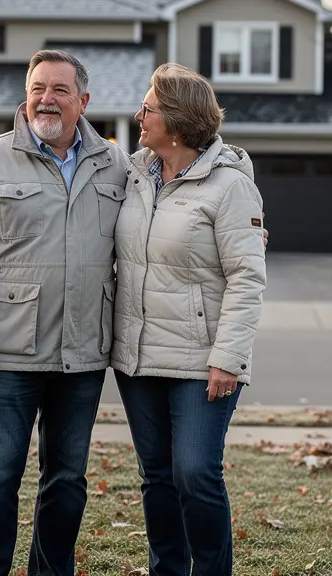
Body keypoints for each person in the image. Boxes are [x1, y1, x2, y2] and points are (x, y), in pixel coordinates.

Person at [0, 50, 130, 576]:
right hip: (4, 357)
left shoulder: (116, 165)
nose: (46, 99)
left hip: (83, 355)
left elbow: (164, 216)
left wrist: (241, 229)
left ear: (83, 101)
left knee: (67, 482)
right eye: (37, 87)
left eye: (60, 90)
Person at [110, 63, 267, 576]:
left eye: (148, 108)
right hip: (137, 357)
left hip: (203, 361)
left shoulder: (230, 187)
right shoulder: (133, 176)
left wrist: (228, 358)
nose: (139, 116)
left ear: (175, 121)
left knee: (195, 472)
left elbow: (248, 277)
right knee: (156, 476)